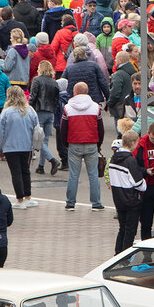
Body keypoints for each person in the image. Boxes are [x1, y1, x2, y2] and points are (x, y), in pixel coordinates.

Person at [63, 81, 106, 212]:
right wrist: (98, 144)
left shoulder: (68, 108)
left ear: (75, 92)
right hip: (91, 143)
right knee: (93, 174)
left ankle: (70, 203)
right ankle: (96, 203)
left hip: (74, 143)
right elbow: (101, 128)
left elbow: (63, 128)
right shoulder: (95, 108)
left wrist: (66, 144)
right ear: (87, 92)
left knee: (73, 175)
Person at [0, 86, 40, 210]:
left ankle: (19, 199)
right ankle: (28, 197)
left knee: (16, 172)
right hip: (26, 145)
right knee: (25, 171)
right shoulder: (30, 110)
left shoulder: (6, 112)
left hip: (10, 146)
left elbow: (1, 133)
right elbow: (36, 128)